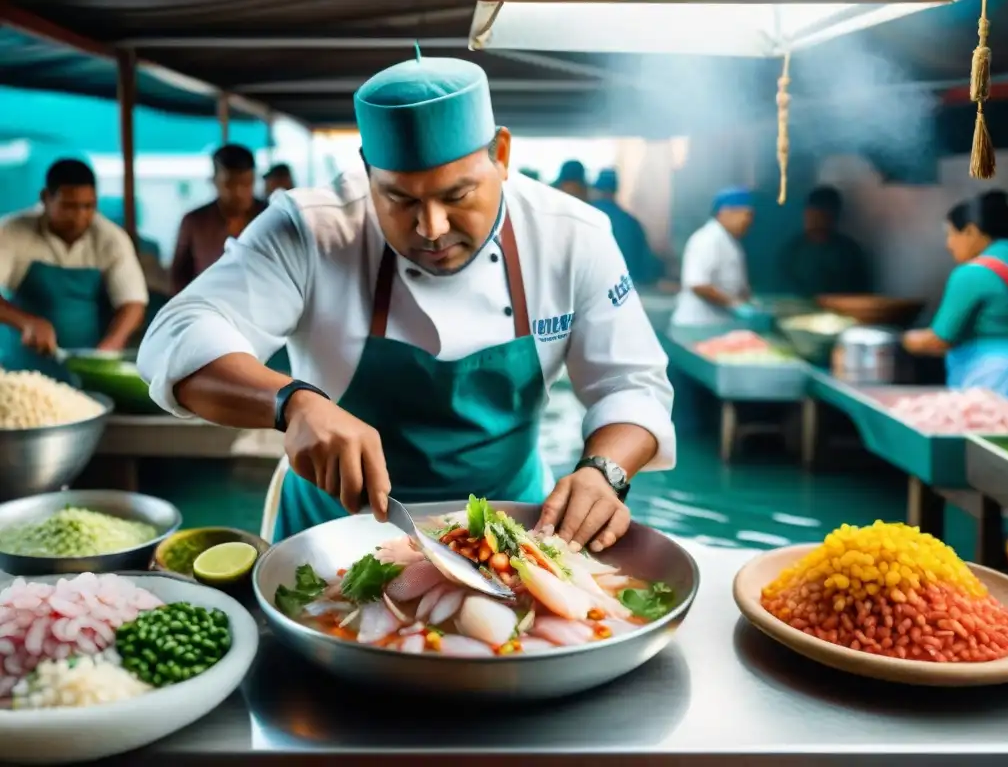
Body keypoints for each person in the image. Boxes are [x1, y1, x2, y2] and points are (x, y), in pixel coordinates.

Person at [138, 55, 675, 550]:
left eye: (457, 195)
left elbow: (630, 382)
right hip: (331, 535)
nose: (432, 228)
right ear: (368, 172)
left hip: (507, 535)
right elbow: (177, 335)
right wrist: (292, 402)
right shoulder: (311, 228)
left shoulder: (571, 235)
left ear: (503, 156)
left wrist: (604, 471)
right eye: (399, 199)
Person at [0, 159, 148, 378]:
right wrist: (27, 322)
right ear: (45, 198)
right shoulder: (12, 232)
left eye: (88, 206)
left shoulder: (111, 239)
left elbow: (133, 303)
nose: (80, 216)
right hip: (20, 370)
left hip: (84, 371)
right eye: (68, 206)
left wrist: (108, 348)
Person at [903, 191, 1008, 398]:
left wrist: (905, 340)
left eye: (950, 234)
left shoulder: (971, 273)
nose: (948, 244)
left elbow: (940, 339)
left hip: (990, 378)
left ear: (970, 232)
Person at [170, 144, 267, 295]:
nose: (239, 192)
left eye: (247, 183)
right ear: (214, 181)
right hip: (208, 309)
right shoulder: (195, 222)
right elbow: (178, 279)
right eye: (230, 184)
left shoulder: (269, 216)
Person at [670, 187, 755, 326]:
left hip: (716, 323)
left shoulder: (729, 240)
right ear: (726, 212)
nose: (748, 221)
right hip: (698, 324)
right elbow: (698, 284)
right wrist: (735, 305)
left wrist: (746, 300)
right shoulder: (708, 239)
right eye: (746, 214)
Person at [778, 185, 871, 298]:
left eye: (820, 215)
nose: (813, 220)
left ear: (833, 217)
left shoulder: (849, 252)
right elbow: (780, 291)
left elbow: (861, 294)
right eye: (810, 214)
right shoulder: (792, 250)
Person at [590, 168, 660, 285]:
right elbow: (646, 266)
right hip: (624, 290)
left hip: (592, 288)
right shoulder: (631, 222)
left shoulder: (587, 216)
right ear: (616, 190)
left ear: (597, 189)